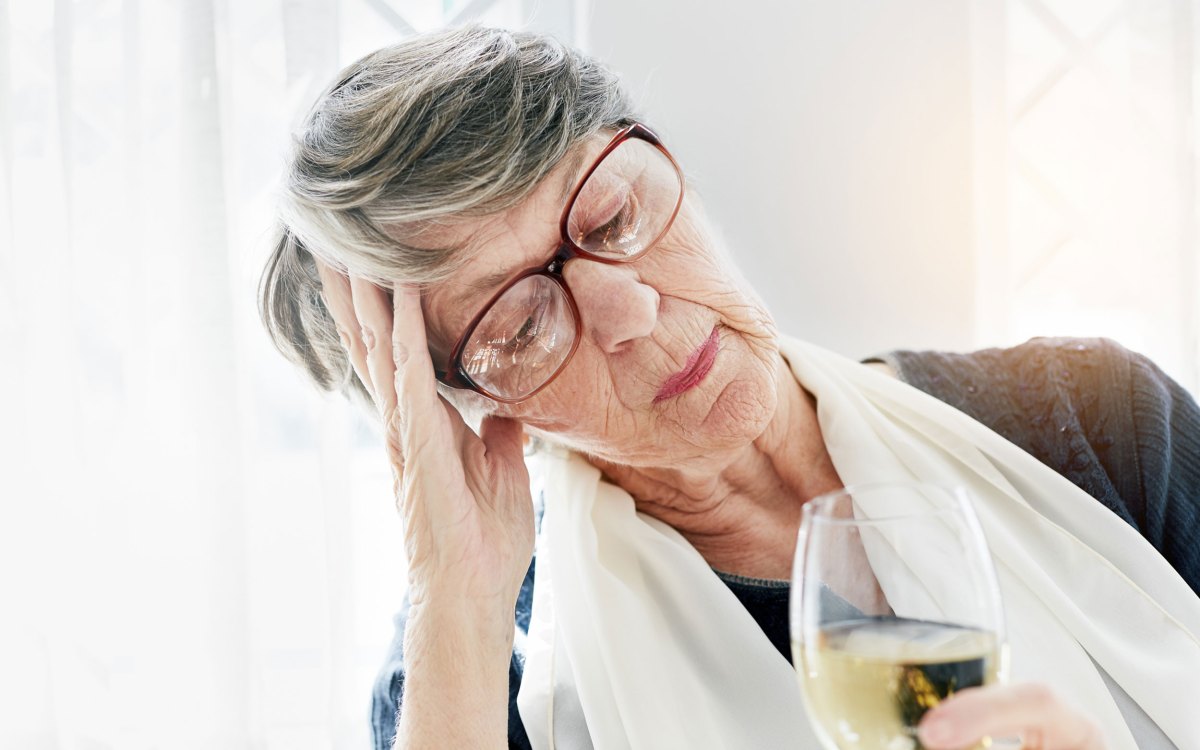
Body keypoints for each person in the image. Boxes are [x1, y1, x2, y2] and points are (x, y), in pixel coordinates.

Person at [259, 26, 1200, 750]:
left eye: (616, 211)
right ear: (469, 410)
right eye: (522, 325)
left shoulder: (1101, 423)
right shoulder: (473, 676)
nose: (626, 307)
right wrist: (455, 600)